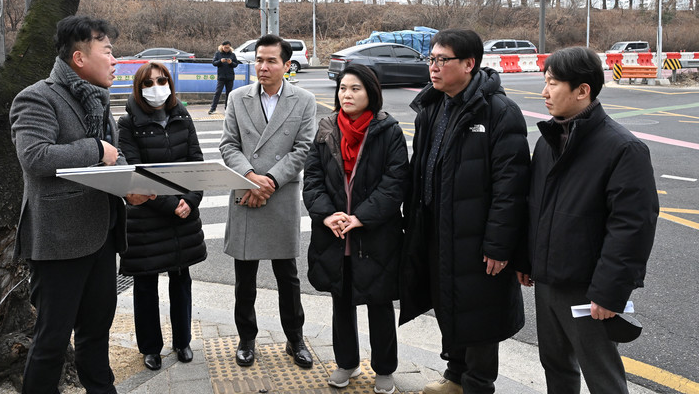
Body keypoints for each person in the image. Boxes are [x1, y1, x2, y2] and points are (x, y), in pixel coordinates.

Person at [10, 15, 151, 394]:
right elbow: (35, 156)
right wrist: (94, 149)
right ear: (79, 57)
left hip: (102, 238)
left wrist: (131, 187)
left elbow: (115, 155)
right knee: (52, 342)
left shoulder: (97, 99)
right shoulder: (37, 97)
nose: (115, 60)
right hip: (58, 243)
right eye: (108, 51)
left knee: (96, 335)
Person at [517, 46, 658, 394]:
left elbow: (631, 228)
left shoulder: (622, 148)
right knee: (555, 365)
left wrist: (609, 292)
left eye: (553, 83)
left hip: (588, 288)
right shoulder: (548, 141)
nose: (544, 92)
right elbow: (534, 206)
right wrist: (525, 259)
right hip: (547, 280)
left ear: (583, 90)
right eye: (545, 82)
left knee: (601, 375)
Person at [399, 29, 530, 394]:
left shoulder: (499, 112)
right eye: (431, 59)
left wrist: (499, 245)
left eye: (442, 60)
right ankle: (455, 376)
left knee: (481, 315)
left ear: (469, 64)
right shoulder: (432, 107)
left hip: (477, 237)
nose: (433, 67)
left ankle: (478, 385)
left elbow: (511, 187)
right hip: (437, 230)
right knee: (449, 303)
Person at [303, 65, 408, 394]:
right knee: (341, 302)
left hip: (374, 235)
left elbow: (395, 183)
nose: (346, 95)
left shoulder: (388, 131)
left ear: (371, 93)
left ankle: (385, 369)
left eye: (355, 89)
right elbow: (312, 180)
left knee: (379, 305)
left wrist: (360, 217)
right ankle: (346, 362)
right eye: (342, 88)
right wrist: (327, 215)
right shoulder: (326, 129)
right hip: (335, 234)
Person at [219, 34, 317, 369]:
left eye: (271, 61)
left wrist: (270, 181)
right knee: (244, 279)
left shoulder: (303, 100)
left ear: (286, 65)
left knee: (288, 277)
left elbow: (303, 148)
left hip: (280, 193)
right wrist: (250, 176)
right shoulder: (238, 98)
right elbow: (228, 145)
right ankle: (246, 339)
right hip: (245, 192)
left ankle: (295, 339)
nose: (263, 66)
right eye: (259, 60)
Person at [117, 62, 207, 371]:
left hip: (182, 215)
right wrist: (171, 204)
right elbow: (135, 173)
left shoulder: (183, 116)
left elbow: (197, 164)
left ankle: (183, 341)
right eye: (148, 83)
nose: (156, 87)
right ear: (138, 88)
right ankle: (150, 347)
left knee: (181, 280)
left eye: (161, 80)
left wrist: (190, 201)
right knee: (145, 285)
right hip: (146, 219)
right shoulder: (127, 124)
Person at [208, 40, 239, 114]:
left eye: (228, 48)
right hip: (221, 76)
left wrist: (231, 63)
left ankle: (227, 108)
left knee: (229, 93)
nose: (226, 49)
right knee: (218, 92)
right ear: (222, 47)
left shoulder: (232, 55)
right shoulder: (218, 54)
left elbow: (236, 64)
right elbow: (214, 63)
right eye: (225, 47)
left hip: (230, 76)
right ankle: (213, 108)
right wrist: (220, 61)